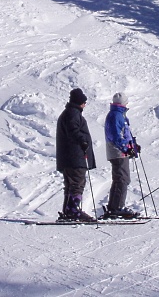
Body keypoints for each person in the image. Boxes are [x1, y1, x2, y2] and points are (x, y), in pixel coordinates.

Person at [55, 87, 97, 221]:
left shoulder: (69, 113)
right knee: (77, 183)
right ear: (79, 102)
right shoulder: (73, 113)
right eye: (84, 102)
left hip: (69, 157)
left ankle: (69, 210)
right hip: (75, 156)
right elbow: (73, 130)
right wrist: (83, 141)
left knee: (71, 184)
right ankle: (73, 210)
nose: (85, 105)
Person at [102, 92, 140, 219]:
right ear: (124, 103)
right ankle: (117, 207)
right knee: (123, 178)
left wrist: (133, 146)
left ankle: (114, 207)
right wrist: (126, 148)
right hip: (118, 151)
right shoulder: (116, 115)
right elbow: (116, 136)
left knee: (120, 178)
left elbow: (125, 134)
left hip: (120, 150)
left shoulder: (118, 114)